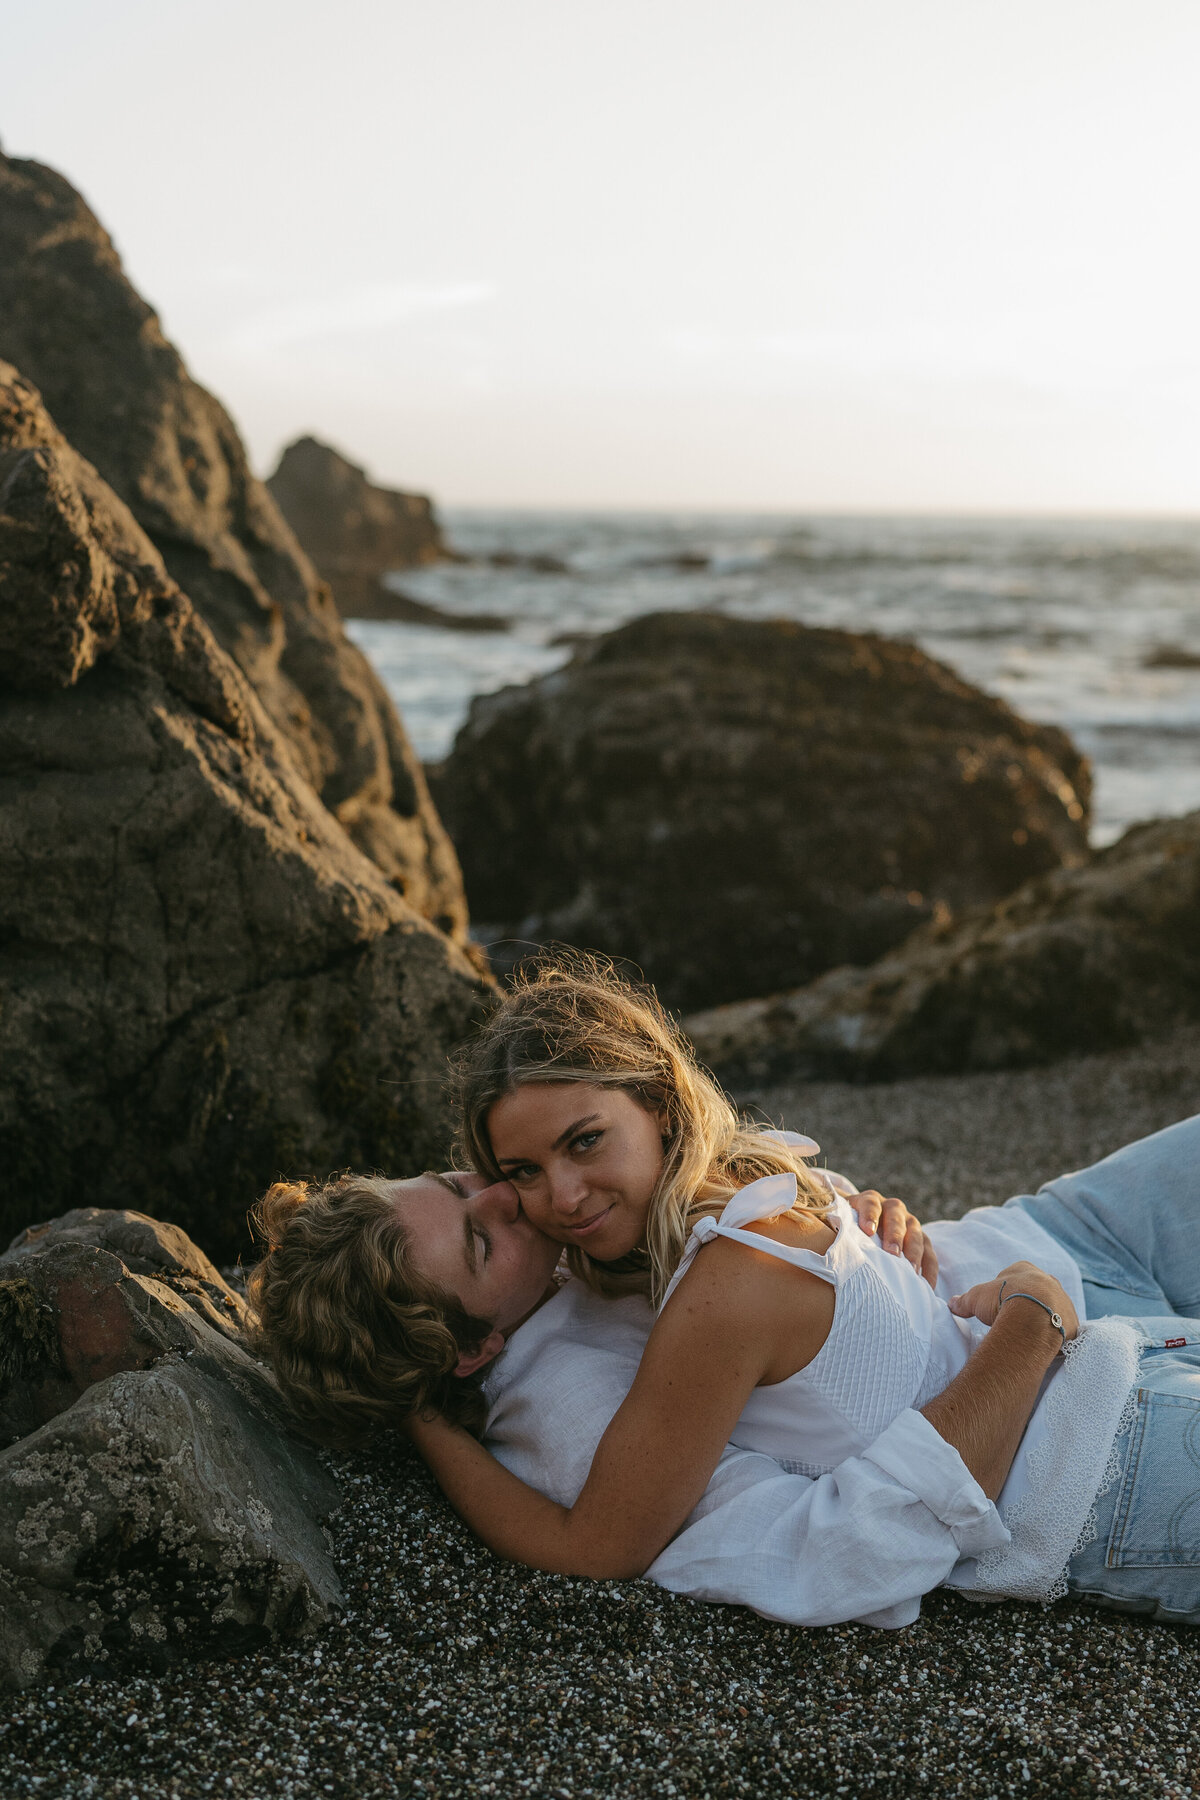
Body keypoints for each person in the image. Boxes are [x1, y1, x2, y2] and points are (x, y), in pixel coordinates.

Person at [249, 959, 1200, 1627]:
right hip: (1093, 1425)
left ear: (662, 1108)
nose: (531, 1198)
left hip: (1034, 1251)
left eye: (482, 1178)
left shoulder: (599, 1243)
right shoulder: (658, 1326)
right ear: (469, 1346)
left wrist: (856, 1210)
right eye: (490, 1216)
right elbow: (602, 1544)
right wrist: (1034, 1319)